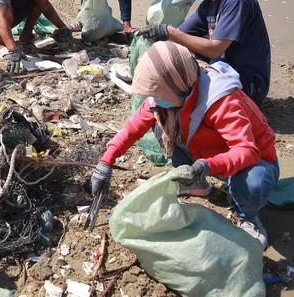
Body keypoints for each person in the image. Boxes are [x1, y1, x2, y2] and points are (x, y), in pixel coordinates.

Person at [90, 41, 279, 247]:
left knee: (253, 182)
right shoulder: (169, 96)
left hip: (254, 161)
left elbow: (247, 150)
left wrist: (207, 165)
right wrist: (106, 162)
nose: (153, 99)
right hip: (206, 156)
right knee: (159, 126)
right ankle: (196, 184)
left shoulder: (221, 99)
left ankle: (248, 216)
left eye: (157, 93)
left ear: (178, 85)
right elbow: (132, 130)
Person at [137, 0, 271, 106]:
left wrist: (169, 31)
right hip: (224, 70)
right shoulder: (209, 5)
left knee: (180, 85)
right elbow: (181, 37)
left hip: (248, 84)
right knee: (174, 63)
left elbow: (215, 49)